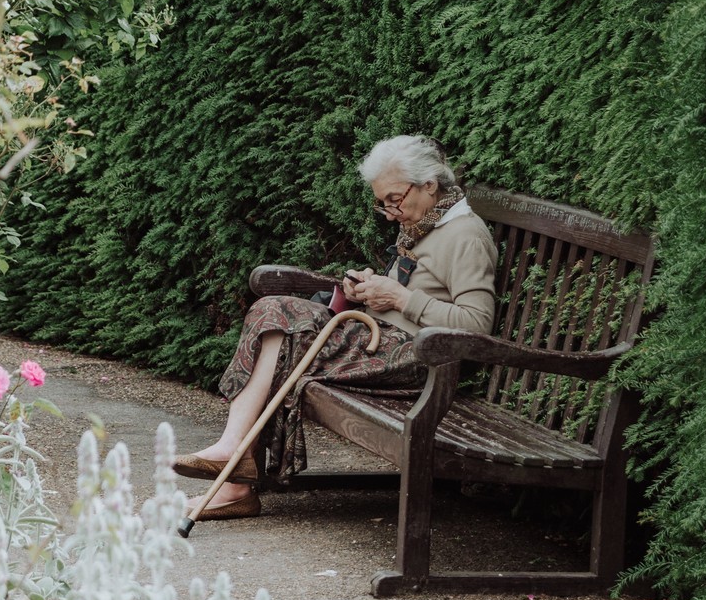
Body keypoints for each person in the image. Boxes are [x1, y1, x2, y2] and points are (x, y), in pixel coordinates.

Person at [173, 135, 499, 519]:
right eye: (382, 203)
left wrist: (398, 298)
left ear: (430, 184)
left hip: (419, 360)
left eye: (395, 199)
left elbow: (477, 325)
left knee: (280, 322)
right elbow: (414, 291)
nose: (390, 211)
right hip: (381, 341)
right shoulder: (426, 222)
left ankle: (234, 476)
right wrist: (366, 291)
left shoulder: (464, 235)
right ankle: (234, 464)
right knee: (273, 315)